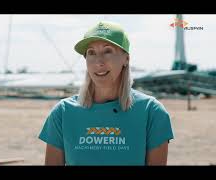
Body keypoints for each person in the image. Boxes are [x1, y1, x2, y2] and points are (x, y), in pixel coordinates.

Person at [38, 21, 174, 165]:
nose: (98, 61)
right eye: (91, 52)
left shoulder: (151, 112)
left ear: (126, 59)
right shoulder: (63, 112)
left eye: (107, 51)